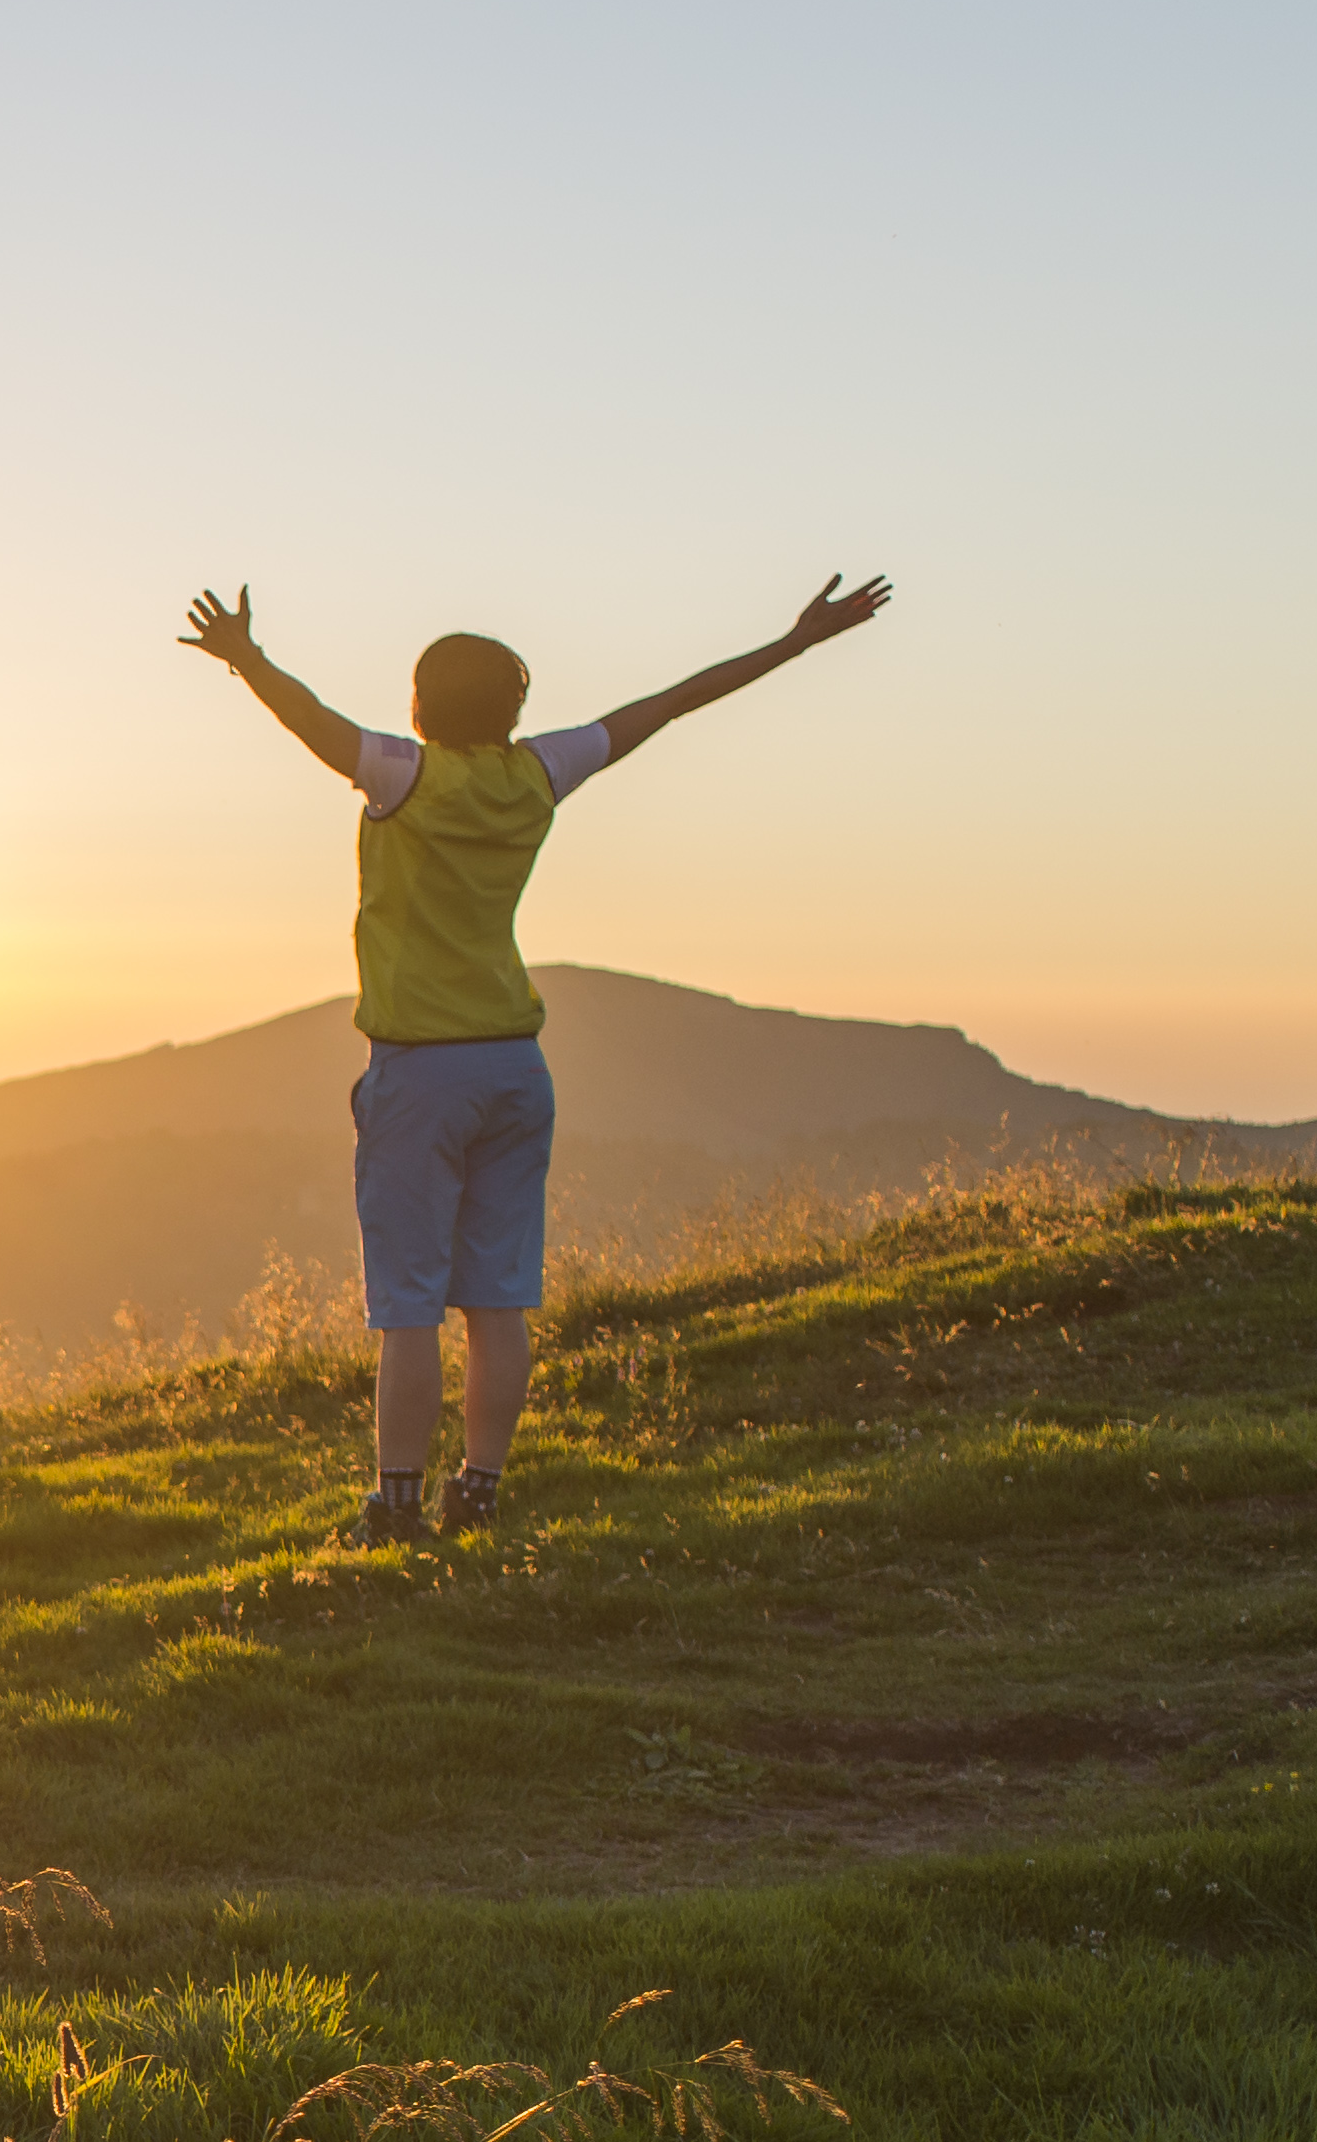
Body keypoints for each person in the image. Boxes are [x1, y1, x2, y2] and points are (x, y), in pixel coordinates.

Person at [179, 573, 893, 1540]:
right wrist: (795, 642)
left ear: (420, 704)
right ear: (513, 710)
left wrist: (247, 659)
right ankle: (478, 1490)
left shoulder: (403, 776)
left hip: (421, 1072)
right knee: (498, 1302)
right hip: (516, 1067)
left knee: (408, 1309)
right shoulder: (539, 774)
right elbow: (671, 703)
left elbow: (312, 723)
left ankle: (396, 1506)